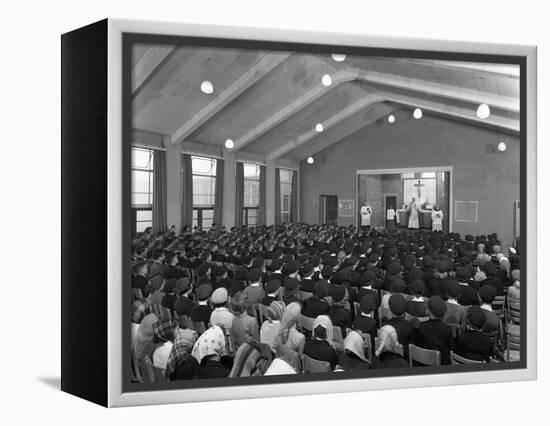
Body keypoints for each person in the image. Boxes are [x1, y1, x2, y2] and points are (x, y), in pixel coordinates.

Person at [414, 296, 454, 365]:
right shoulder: (447, 329)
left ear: (429, 311)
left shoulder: (422, 326)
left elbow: (418, 347)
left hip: (423, 363)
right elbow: (450, 350)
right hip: (442, 365)